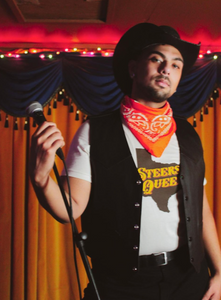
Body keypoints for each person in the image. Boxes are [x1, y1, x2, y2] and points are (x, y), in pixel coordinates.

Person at [29, 23, 221, 300]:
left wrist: (218, 270)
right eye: (157, 59)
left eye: (176, 65)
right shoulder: (95, 131)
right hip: (121, 284)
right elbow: (70, 209)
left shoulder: (188, 133)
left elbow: (200, 207)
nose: (167, 69)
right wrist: (40, 179)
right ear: (133, 68)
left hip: (189, 277)